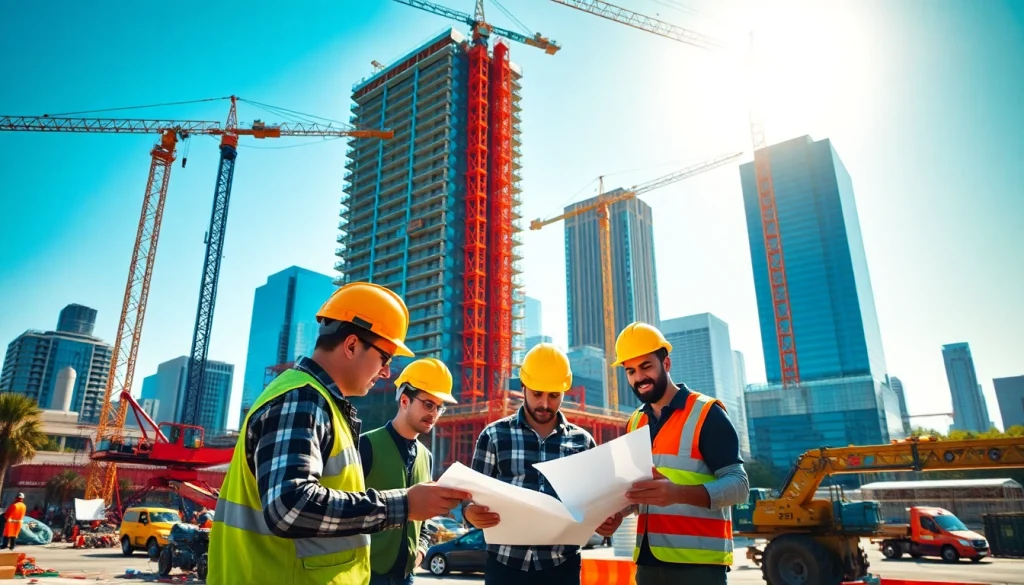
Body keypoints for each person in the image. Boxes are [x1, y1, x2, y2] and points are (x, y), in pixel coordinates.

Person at [207, 282, 472, 585]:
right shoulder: (301, 400)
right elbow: (290, 507)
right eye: (385, 358)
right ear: (351, 346)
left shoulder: (319, 404)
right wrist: (405, 504)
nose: (386, 372)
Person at [462, 343, 622, 585]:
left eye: (554, 395)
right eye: (537, 393)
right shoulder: (494, 436)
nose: (545, 404)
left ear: (564, 392)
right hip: (505, 567)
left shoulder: (582, 441)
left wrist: (607, 522)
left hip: (561, 568)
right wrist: (467, 512)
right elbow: (468, 495)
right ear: (523, 387)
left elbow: (595, 505)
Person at [613, 322, 750, 585]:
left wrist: (679, 493)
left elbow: (740, 485)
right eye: (630, 371)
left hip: (697, 568)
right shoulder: (634, 423)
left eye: (646, 366)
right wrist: (616, 514)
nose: (638, 377)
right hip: (648, 563)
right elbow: (638, 491)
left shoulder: (706, 413)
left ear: (666, 364)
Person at [360, 357, 457, 585]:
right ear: (404, 400)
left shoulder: (426, 456)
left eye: (439, 407)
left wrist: (421, 550)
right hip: (367, 574)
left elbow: (425, 519)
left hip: (407, 576)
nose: (434, 413)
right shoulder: (366, 446)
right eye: (428, 404)